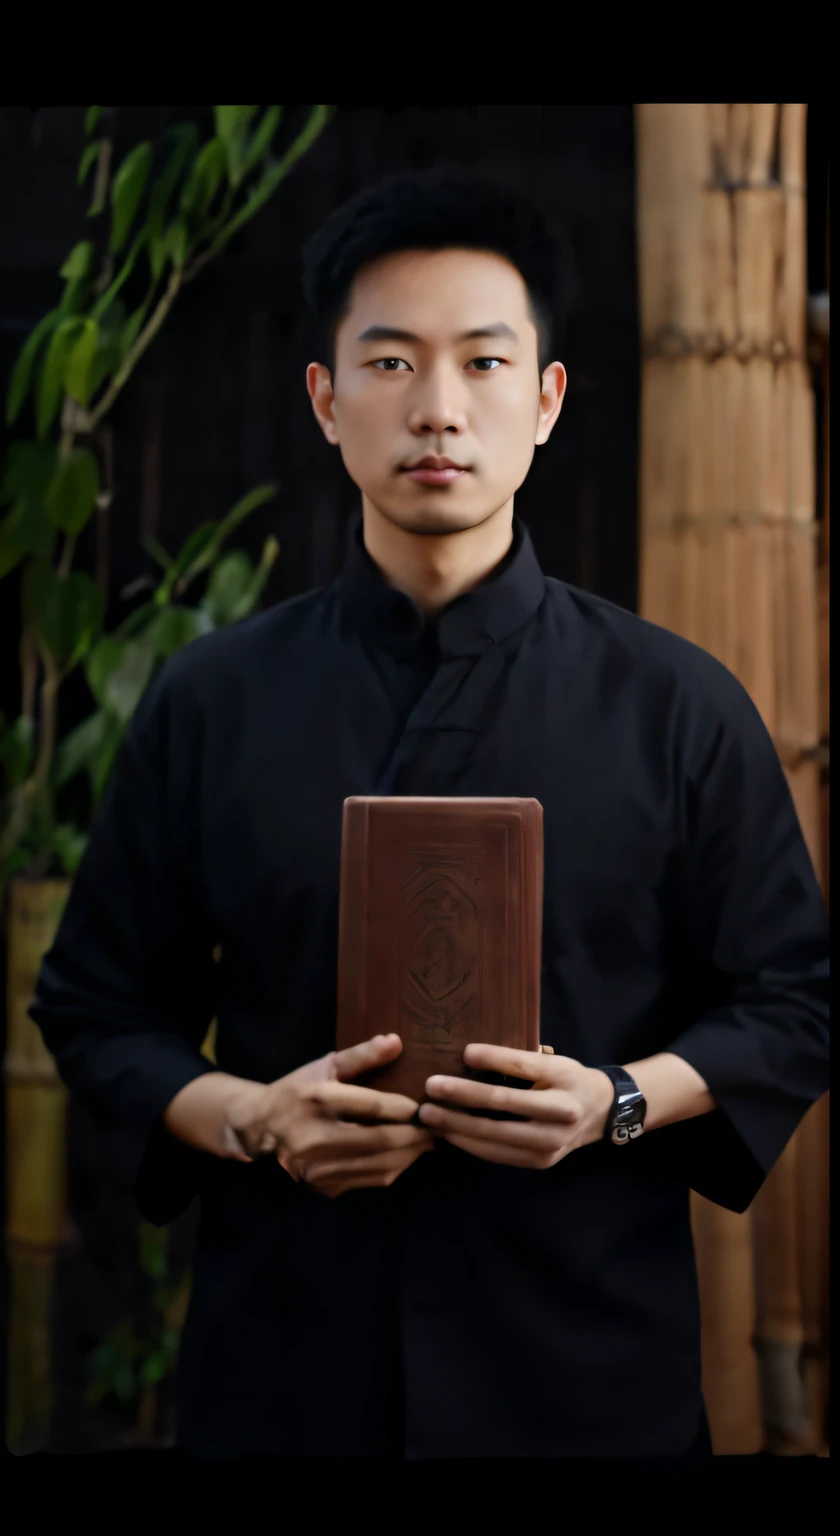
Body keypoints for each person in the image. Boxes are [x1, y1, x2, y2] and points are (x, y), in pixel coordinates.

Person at [29, 167, 829, 1462]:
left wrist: (618, 1101)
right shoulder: (215, 701)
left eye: (485, 362)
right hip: (286, 1363)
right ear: (326, 402)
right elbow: (98, 1007)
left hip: (584, 1367)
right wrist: (251, 1116)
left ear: (548, 399)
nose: (440, 410)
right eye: (392, 363)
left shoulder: (675, 705)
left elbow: (794, 999)